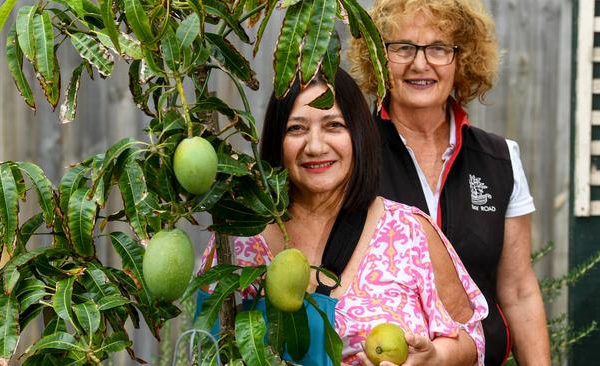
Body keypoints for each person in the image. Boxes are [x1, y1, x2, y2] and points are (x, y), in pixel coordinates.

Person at [198, 68, 488, 365]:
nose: (316, 146)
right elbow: (207, 347)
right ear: (277, 141)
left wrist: (436, 358)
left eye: (333, 125)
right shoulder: (238, 240)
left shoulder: (408, 232)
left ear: (358, 134)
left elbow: (470, 338)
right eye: (296, 128)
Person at [348, 1, 551, 365]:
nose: (420, 63)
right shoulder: (350, 154)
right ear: (378, 59)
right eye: (402, 47)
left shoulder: (500, 160)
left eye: (439, 48)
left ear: (463, 59)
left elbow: (519, 292)